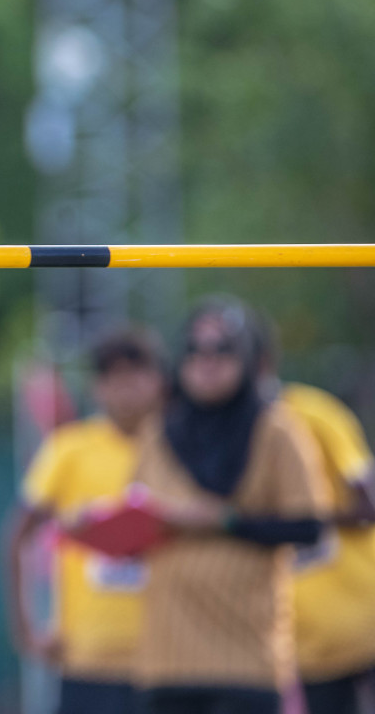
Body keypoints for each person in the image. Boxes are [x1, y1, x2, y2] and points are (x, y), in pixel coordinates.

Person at [132, 298, 329, 714]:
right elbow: (136, 523)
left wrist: (224, 520)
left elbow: (310, 527)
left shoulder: (276, 429)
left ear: (249, 359)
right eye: (194, 350)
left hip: (247, 659)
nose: (207, 362)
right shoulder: (157, 432)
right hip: (165, 661)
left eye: (222, 350)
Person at [4, 326, 168, 714]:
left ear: (160, 380)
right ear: (97, 386)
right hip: (87, 659)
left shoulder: (182, 449)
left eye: (137, 373)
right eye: (113, 375)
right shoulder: (69, 450)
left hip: (170, 658)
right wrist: (26, 630)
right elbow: (17, 537)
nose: (126, 386)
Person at [258, 324, 375, 714]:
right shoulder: (221, 430)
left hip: (363, 616)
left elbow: (368, 503)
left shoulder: (311, 411)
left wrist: (304, 519)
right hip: (302, 644)